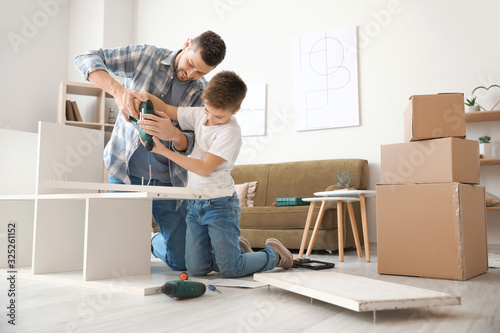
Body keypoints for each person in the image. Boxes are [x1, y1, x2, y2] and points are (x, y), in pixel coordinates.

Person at [73, 31, 226, 271]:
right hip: (124, 173)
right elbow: (86, 57)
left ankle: (151, 240)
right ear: (186, 44)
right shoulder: (147, 56)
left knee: (184, 262)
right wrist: (119, 91)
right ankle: (138, 240)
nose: (191, 75)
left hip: (169, 182)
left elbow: (196, 144)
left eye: (201, 73)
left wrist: (175, 135)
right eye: (191, 65)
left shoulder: (201, 93)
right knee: (119, 254)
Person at [136, 71, 293, 277]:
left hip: (220, 206)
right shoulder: (201, 114)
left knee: (231, 270)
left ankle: (274, 255)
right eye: (208, 110)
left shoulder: (229, 132)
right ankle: (233, 253)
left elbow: (203, 167)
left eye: (219, 116)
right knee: (196, 270)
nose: (211, 118)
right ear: (205, 101)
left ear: (235, 111)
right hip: (195, 206)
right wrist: (139, 96)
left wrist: (163, 151)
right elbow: (165, 108)